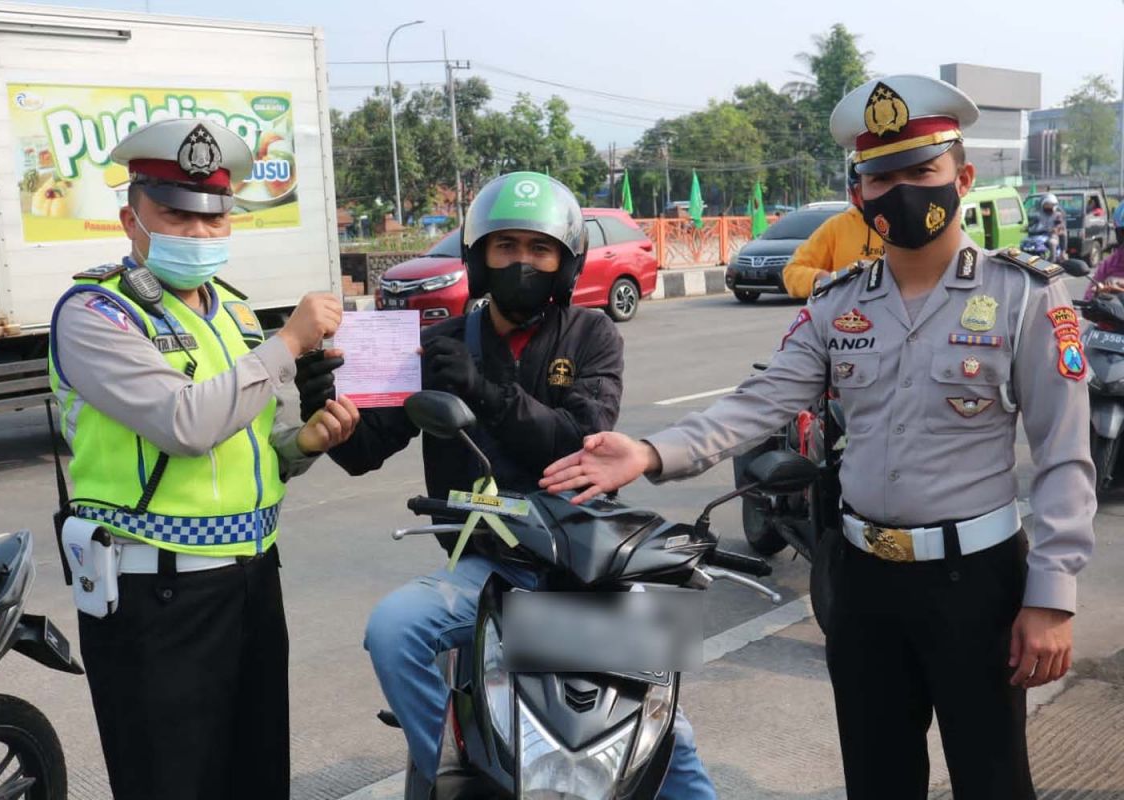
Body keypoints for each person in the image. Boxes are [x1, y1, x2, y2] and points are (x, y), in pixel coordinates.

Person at [542, 75, 1095, 800]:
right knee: (876, 779)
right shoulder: (841, 301)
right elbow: (762, 400)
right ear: (859, 194)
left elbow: (1063, 456)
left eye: (920, 172)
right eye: (880, 177)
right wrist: (650, 451)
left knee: (992, 781)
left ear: (960, 177)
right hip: (862, 582)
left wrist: (1051, 597)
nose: (901, 191)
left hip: (978, 584)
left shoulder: (1025, 295)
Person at [325, 171, 717, 797]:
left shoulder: (594, 335)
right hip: (484, 567)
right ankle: (460, 771)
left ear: (566, 260)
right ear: (479, 257)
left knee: (667, 729)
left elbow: (580, 441)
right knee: (394, 628)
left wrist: (484, 391)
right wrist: (327, 394)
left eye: (539, 249)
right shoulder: (438, 343)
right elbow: (363, 452)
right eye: (505, 247)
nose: (522, 262)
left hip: (582, 571)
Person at [47, 118, 359, 800]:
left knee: (256, 775)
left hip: (249, 583)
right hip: (154, 598)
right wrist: (289, 344)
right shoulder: (98, 314)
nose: (198, 235)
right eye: (176, 216)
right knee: (172, 783)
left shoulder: (235, 315)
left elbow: (255, 452)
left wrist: (303, 444)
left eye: (214, 220)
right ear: (132, 220)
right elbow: (185, 424)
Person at [781, 160, 885, 298]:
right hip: (851, 315)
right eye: (876, 182)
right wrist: (823, 279)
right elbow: (792, 272)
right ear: (853, 192)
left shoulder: (914, 222)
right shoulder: (837, 227)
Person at [1034, 192, 1067, 260]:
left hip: (1053, 235)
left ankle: (1053, 259)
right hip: (1039, 235)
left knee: (1052, 242)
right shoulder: (1039, 214)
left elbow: (1059, 224)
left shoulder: (1057, 215)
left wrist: (1055, 228)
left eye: (1050, 205)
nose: (1048, 206)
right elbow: (1033, 223)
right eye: (1046, 204)